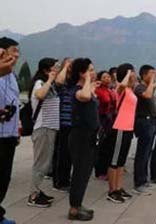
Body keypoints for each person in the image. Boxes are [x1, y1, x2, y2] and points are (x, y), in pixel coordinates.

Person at [28, 58, 62, 208]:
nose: (57, 69)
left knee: (45, 162)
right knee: (40, 163)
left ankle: (37, 190)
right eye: (55, 67)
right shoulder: (40, 83)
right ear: (46, 70)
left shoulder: (51, 85)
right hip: (43, 128)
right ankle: (33, 195)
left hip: (50, 128)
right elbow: (40, 95)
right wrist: (50, 79)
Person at [67, 58, 99, 221]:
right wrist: (87, 81)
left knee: (85, 173)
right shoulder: (77, 90)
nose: (93, 72)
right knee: (79, 173)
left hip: (90, 136)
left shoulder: (86, 88)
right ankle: (74, 208)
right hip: (80, 137)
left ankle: (78, 203)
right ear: (82, 72)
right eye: (90, 70)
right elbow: (85, 97)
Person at [106, 64, 136, 202]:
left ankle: (119, 187)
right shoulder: (120, 88)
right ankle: (112, 190)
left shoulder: (130, 89)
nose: (134, 75)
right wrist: (128, 73)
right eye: (132, 72)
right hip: (119, 127)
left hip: (128, 128)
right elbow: (121, 85)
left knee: (121, 161)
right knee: (114, 160)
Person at [0, 37, 20, 224]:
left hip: (10, 132)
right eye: (13, 50)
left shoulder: (12, 75)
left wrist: (17, 130)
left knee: (5, 176)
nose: (17, 55)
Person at [133, 65, 156, 194]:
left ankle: (144, 179)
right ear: (144, 75)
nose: (154, 76)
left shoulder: (148, 87)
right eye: (151, 73)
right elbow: (147, 96)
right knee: (142, 152)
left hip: (152, 121)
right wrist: (152, 82)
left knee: (148, 152)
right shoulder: (140, 87)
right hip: (144, 121)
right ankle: (139, 182)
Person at [52, 58, 74, 192]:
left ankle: (66, 179)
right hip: (63, 122)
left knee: (69, 154)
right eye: (69, 64)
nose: (71, 66)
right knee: (62, 153)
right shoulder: (61, 80)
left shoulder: (73, 82)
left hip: (73, 122)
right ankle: (59, 181)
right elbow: (58, 82)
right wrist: (65, 67)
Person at [94, 71, 116, 180]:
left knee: (108, 146)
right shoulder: (97, 91)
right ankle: (100, 171)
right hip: (102, 119)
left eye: (108, 76)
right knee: (101, 146)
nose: (107, 78)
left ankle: (107, 168)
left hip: (110, 119)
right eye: (104, 77)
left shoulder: (110, 90)